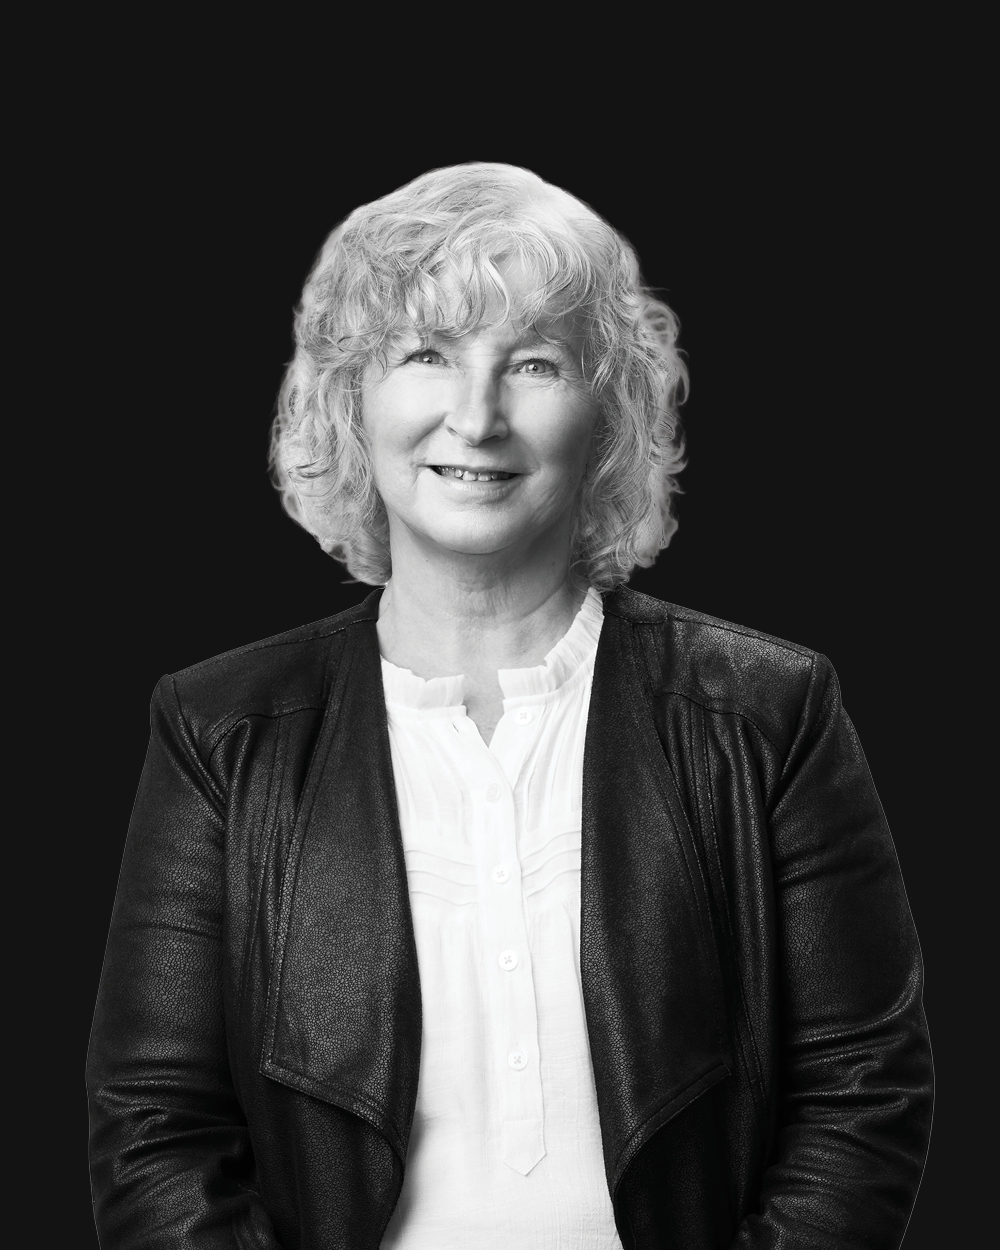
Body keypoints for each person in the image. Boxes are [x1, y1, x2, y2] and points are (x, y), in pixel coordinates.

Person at [87, 162, 933, 1249]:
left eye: (534, 362)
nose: (476, 417)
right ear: (350, 401)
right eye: (426, 355)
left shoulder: (770, 713)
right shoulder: (219, 729)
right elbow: (154, 1130)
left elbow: (864, 1091)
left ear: (608, 415)